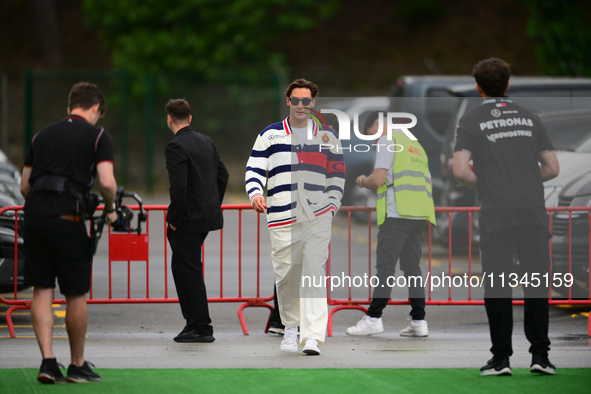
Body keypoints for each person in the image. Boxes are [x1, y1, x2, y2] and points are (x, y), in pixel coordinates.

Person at [453, 58, 560, 376]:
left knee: (498, 284)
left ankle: (501, 359)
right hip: (532, 211)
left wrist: (490, 185)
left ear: (478, 87)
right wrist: (524, 182)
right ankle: (541, 356)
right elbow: (553, 168)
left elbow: (460, 171)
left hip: (497, 212)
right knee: (537, 283)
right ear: (508, 84)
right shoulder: (530, 117)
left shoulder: (471, 121)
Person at [20, 82, 118, 384]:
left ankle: (48, 362)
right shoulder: (98, 135)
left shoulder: (41, 135)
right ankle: (77, 365)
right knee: (75, 294)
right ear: (95, 109)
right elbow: (106, 182)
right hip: (69, 219)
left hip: (34, 218)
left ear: (69, 108)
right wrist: (111, 208)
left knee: (42, 291)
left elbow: (25, 185)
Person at [245, 78, 346, 355]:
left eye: (307, 100)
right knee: (287, 275)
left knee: (314, 272)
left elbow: (336, 175)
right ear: (288, 101)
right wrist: (255, 193)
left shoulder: (327, 136)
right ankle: (290, 328)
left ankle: (312, 336)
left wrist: (332, 206)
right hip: (281, 216)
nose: (301, 105)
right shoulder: (270, 134)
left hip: (317, 217)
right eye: (296, 100)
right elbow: (254, 168)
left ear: (313, 103)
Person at [345, 111, 436, 338]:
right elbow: (429, 181)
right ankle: (418, 320)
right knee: (412, 268)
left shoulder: (389, 140)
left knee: (385, 268)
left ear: (380, 122)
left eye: (372, 135)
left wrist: (363, 181)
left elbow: (378, 179)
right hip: (418, 213)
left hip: (397, 213)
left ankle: (373, 318)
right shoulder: (415, 145)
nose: (374, 140)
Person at [165, 98, 229, 343]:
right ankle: (193, 322)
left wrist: (174, 219)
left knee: (188, 269)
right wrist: (212, 203)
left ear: (169, 119)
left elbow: (178, 188)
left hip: (186, 220)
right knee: (182, 267)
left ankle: (201, 325)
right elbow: (223, 175)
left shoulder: (176, 146)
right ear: (190, 118)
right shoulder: (206, 141)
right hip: (205, 217)